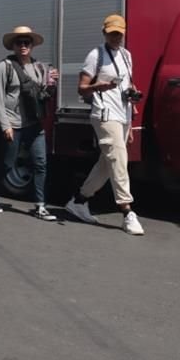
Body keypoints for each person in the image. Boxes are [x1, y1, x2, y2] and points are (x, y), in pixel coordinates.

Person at [65, 14, 145, 235]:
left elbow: (127, 85)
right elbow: (82, 87)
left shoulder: (127, 56)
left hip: (123, 115)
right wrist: (97, 86)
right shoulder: (96, 55)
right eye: (111, 33)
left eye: (119, 33)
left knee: (107, 162)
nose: (116, 37)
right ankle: (127, 211)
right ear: (104, 33)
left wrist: (133, 102)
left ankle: (79, 201)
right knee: (119, 158)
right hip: (104, 115)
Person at [0, 25, 59, 221]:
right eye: (19, 42)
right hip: (13, 122)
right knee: (7, 163)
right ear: (13, 46)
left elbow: (43, 95)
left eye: (27, 42)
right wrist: (5, 125)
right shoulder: (6, 66)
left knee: (40, 164)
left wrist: (52, 82)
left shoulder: (39, 67)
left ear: (32, 45)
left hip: (34, 124)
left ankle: (40, 206)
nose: (23, 46)